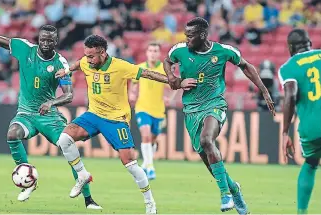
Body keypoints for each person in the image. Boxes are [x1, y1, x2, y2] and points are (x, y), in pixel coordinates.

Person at [0, 3, 102, 209]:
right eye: (42, 39)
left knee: (68, 146)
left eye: (50, 40)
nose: (45, 43)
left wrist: (51, 102)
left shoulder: (61, 63)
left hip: (49, 117)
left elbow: (68, 95)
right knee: (12, 134)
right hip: (26, 113)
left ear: (56, 41)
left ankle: (88, 199)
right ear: (38, 39)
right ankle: (29, 181)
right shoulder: (24, 49)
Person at [54, 35, 195, 214]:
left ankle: (150, 202)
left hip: (116, 119)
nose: (87, 60)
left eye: (91, 56)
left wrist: (175, 81)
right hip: (93, 114)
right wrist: (67, 71)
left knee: (129, 162)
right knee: (64, 139)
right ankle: (82, 175)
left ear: (103, 53)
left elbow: (148, 74)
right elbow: (78, 63)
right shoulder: (86, 62)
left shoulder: (120, 66)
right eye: (86, 55)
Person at [163, 17, 275, 214]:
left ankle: (225, 195)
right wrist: (174, 78)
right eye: (185, 35)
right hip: (191, 109)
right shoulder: (179, 50)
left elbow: (246, 66)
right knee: (208, 161)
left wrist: (265, 92)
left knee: (207, 140)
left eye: (190, 36)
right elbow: (167, 62)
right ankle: (233, 189)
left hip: (215, 104)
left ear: (203, 35)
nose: (186, 39)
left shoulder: (224, 51)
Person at [279, 28, 321, 214]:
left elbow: (290, 95)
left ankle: (301, 212)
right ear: (309, 44)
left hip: (311, 128)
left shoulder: (288, 67)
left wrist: (285, 132)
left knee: (311, 163)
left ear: (290, 48)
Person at [129, 42, 175, 180]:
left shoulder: (164, 69)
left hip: (159, 110)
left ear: (159, 53)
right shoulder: (140, 68)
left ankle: (146, 163)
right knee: (146, 135)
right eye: (150, 50)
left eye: (155, 50)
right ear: (147, 53)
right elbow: (133, 84)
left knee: (153, 139)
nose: (153, 53)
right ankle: (150, 168)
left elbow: (175, 86)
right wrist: (132, 93)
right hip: (142, 108)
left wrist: (170, 98)